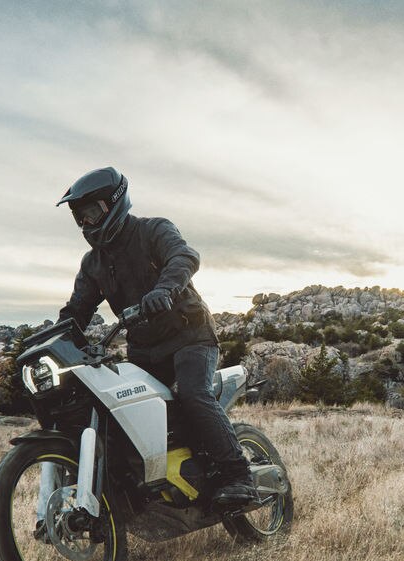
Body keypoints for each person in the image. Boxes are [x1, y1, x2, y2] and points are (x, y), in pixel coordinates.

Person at [54, 167, 258, 507]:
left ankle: (239, 475)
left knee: (193, 394)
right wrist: (55, 335)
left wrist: (165, 289)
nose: (87, 224)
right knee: (122, 411)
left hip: (190, 336)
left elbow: (184, 256)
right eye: (81, 218)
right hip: (145, 350)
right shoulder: (93, 264)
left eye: (92, 213)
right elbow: (77, 309)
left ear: (114, 204)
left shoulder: (153, 230)